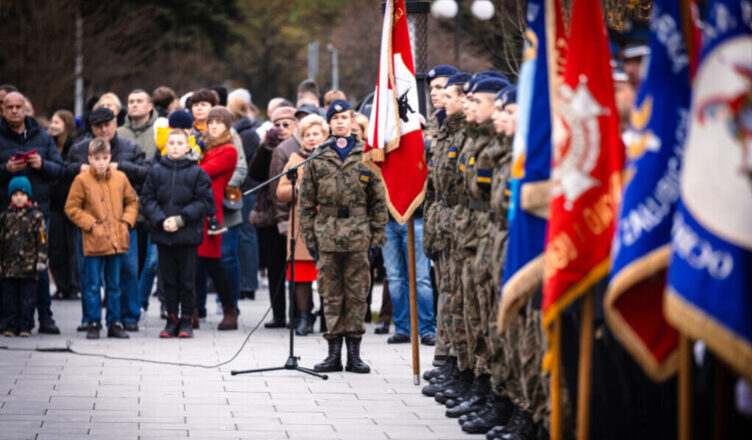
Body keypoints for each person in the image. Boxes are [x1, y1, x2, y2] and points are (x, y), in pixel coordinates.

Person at [299, 99, 388, 374]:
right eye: (334, 117)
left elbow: (378, 201)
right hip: (326, 233)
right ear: (328, 123)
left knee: (357, 295)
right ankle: (333, 353)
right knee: (331, 295)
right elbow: (305, 202)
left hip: (358, 233)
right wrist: (310, 239)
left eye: (345, 117)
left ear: (353, 121)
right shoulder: (318, 156)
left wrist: (377, 239)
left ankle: (355, 354)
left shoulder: (367, 155)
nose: (340, 122)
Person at [66, 107, 148, 332]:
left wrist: (126, 221)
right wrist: (89, 224)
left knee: (124, 275)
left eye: (108, 125)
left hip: (120, 230)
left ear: (115, 123)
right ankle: (91, 319)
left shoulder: (128, 154)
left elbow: (139, 185)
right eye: (98, 126)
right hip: (91, 233)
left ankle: (122, 318)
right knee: (90, 279)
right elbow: (69, 195)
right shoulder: (80, 157)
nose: (103, 130)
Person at [0, 91, 64, 335]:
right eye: (10, 107)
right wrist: (5, 169)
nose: (15, 111)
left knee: (38, 266)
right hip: (5, 215)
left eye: (19, 107)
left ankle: (44, 317)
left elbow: (60, 170)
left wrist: (42, 164)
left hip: (37, 214)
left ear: (26, 109)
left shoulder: (42, 136)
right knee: (5, 268)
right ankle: (8, 319)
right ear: (3, 109)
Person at [141, 129, 213, 338]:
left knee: (187, 280)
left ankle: (187, 319)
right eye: (171, 143)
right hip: (164, 233)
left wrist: (181, 219)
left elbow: (203, 201)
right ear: (165, 146)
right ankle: (171, 319)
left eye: (179, 143)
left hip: (187, 234)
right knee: (168, 280)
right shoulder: (156, 171)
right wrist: (161, 219)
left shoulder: (197, 172)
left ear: (188, 146)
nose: (174, 147)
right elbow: (147, 198)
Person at [276, 114, 328, 336]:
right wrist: (297, 190)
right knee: (302, 273)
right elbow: (281, 191)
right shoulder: (295, 159)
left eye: (316, 134)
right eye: (307, 135)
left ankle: (327, 317)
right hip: (301, 224)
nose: (311, 138)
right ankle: (304, 316)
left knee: (328, 272)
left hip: (328, 224)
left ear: (325, 136)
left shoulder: (332, 157)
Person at [195, 106, 238, 331]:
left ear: (227, 126)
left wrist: (192, 156)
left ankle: (230, 310)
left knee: (213, 264)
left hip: (211, 213)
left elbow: (200, 172)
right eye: (210, 122)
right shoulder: (201, 147)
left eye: (219, 123)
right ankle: (191, 310)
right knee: (193, 263)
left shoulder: (228, 150)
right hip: (194, 210)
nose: (213, 126)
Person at [258, 105, 298, 328]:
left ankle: (297, 313)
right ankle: (279, 314)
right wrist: (265, 147)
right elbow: (256, 175)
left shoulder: (299, 148)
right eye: (277, 124)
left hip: (289, 214)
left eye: (286, 124)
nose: (281, 128)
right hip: (269, 215)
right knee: (275, 268)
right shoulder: (268, 146)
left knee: (294, 267)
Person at [0, 177, 48, 337]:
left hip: (29, 267)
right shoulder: (5, 216)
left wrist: (41, 259)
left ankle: (26, 326)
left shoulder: (36, 216)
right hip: (9, 267)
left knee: (28, 299)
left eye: (22, 194)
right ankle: (11, 325)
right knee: (9, 299)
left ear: (28, 196)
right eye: (15, 194)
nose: (19, 197)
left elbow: (42, 239)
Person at [228, 96, 261, 301]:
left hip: (246, 189)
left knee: (247, 236)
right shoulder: (247, 132)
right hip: (246, 188)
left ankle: (247, 283)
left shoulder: (246, 134)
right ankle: (245, 282)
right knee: (244, 236)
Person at [47, 110, 80, 301]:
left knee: (73, 248)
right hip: (54, 203)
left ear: (66, 124)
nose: (53, 125)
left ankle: (74, 286)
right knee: (56, 247)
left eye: (57, 122)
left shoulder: (73, 147)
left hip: (72, 201)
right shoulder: (48, 145)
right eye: (52, 121)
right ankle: (61, 286)